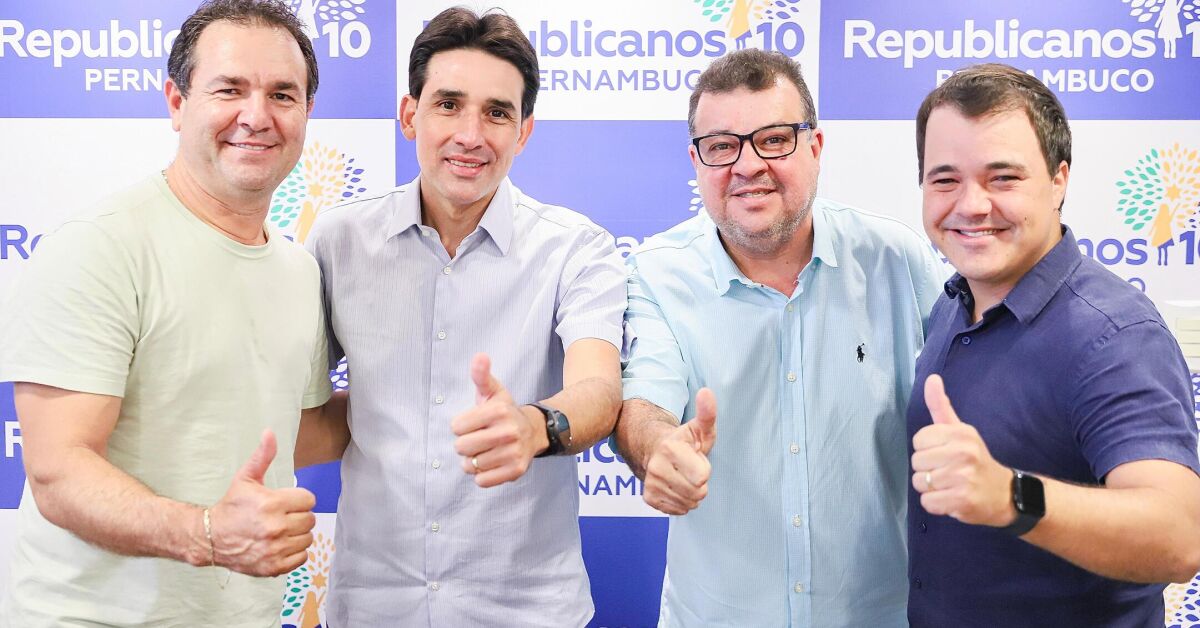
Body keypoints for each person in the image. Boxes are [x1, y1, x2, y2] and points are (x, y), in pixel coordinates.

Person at [0, 0, 338, 625]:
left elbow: (303, 427)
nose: (257, 116)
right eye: (229, 89)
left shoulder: (299, 271)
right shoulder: (101, 246)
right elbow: (58, 472)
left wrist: (437, 400)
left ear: (307, 113)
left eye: (282, 95)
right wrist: (208, 534)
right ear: (177, 102)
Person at [301, 7, 626, 626]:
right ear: (409, 115)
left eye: (497, 113)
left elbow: (598, 390)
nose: (471, 135)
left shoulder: (576, 249)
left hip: (526, 610)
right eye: (448, 105)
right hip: (374, 606)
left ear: (523, 132)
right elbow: (299, 408)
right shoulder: (338, 242)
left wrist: (534, 426)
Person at [613, 48, 944, 627]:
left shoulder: (897, 261)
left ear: (815, 147)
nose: (748, 166)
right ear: (696, 161)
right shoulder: (656, 273)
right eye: (722, 146)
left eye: (773, 139)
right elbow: (644, 403)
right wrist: (659, 450)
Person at [908, 62, 1200, 627]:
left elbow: (1180, 535)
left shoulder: (1114, 335)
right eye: (945, 179)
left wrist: (1011, 496)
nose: (971, 205)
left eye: (1002, 178)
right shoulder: (955, 301)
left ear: (1059, 181)